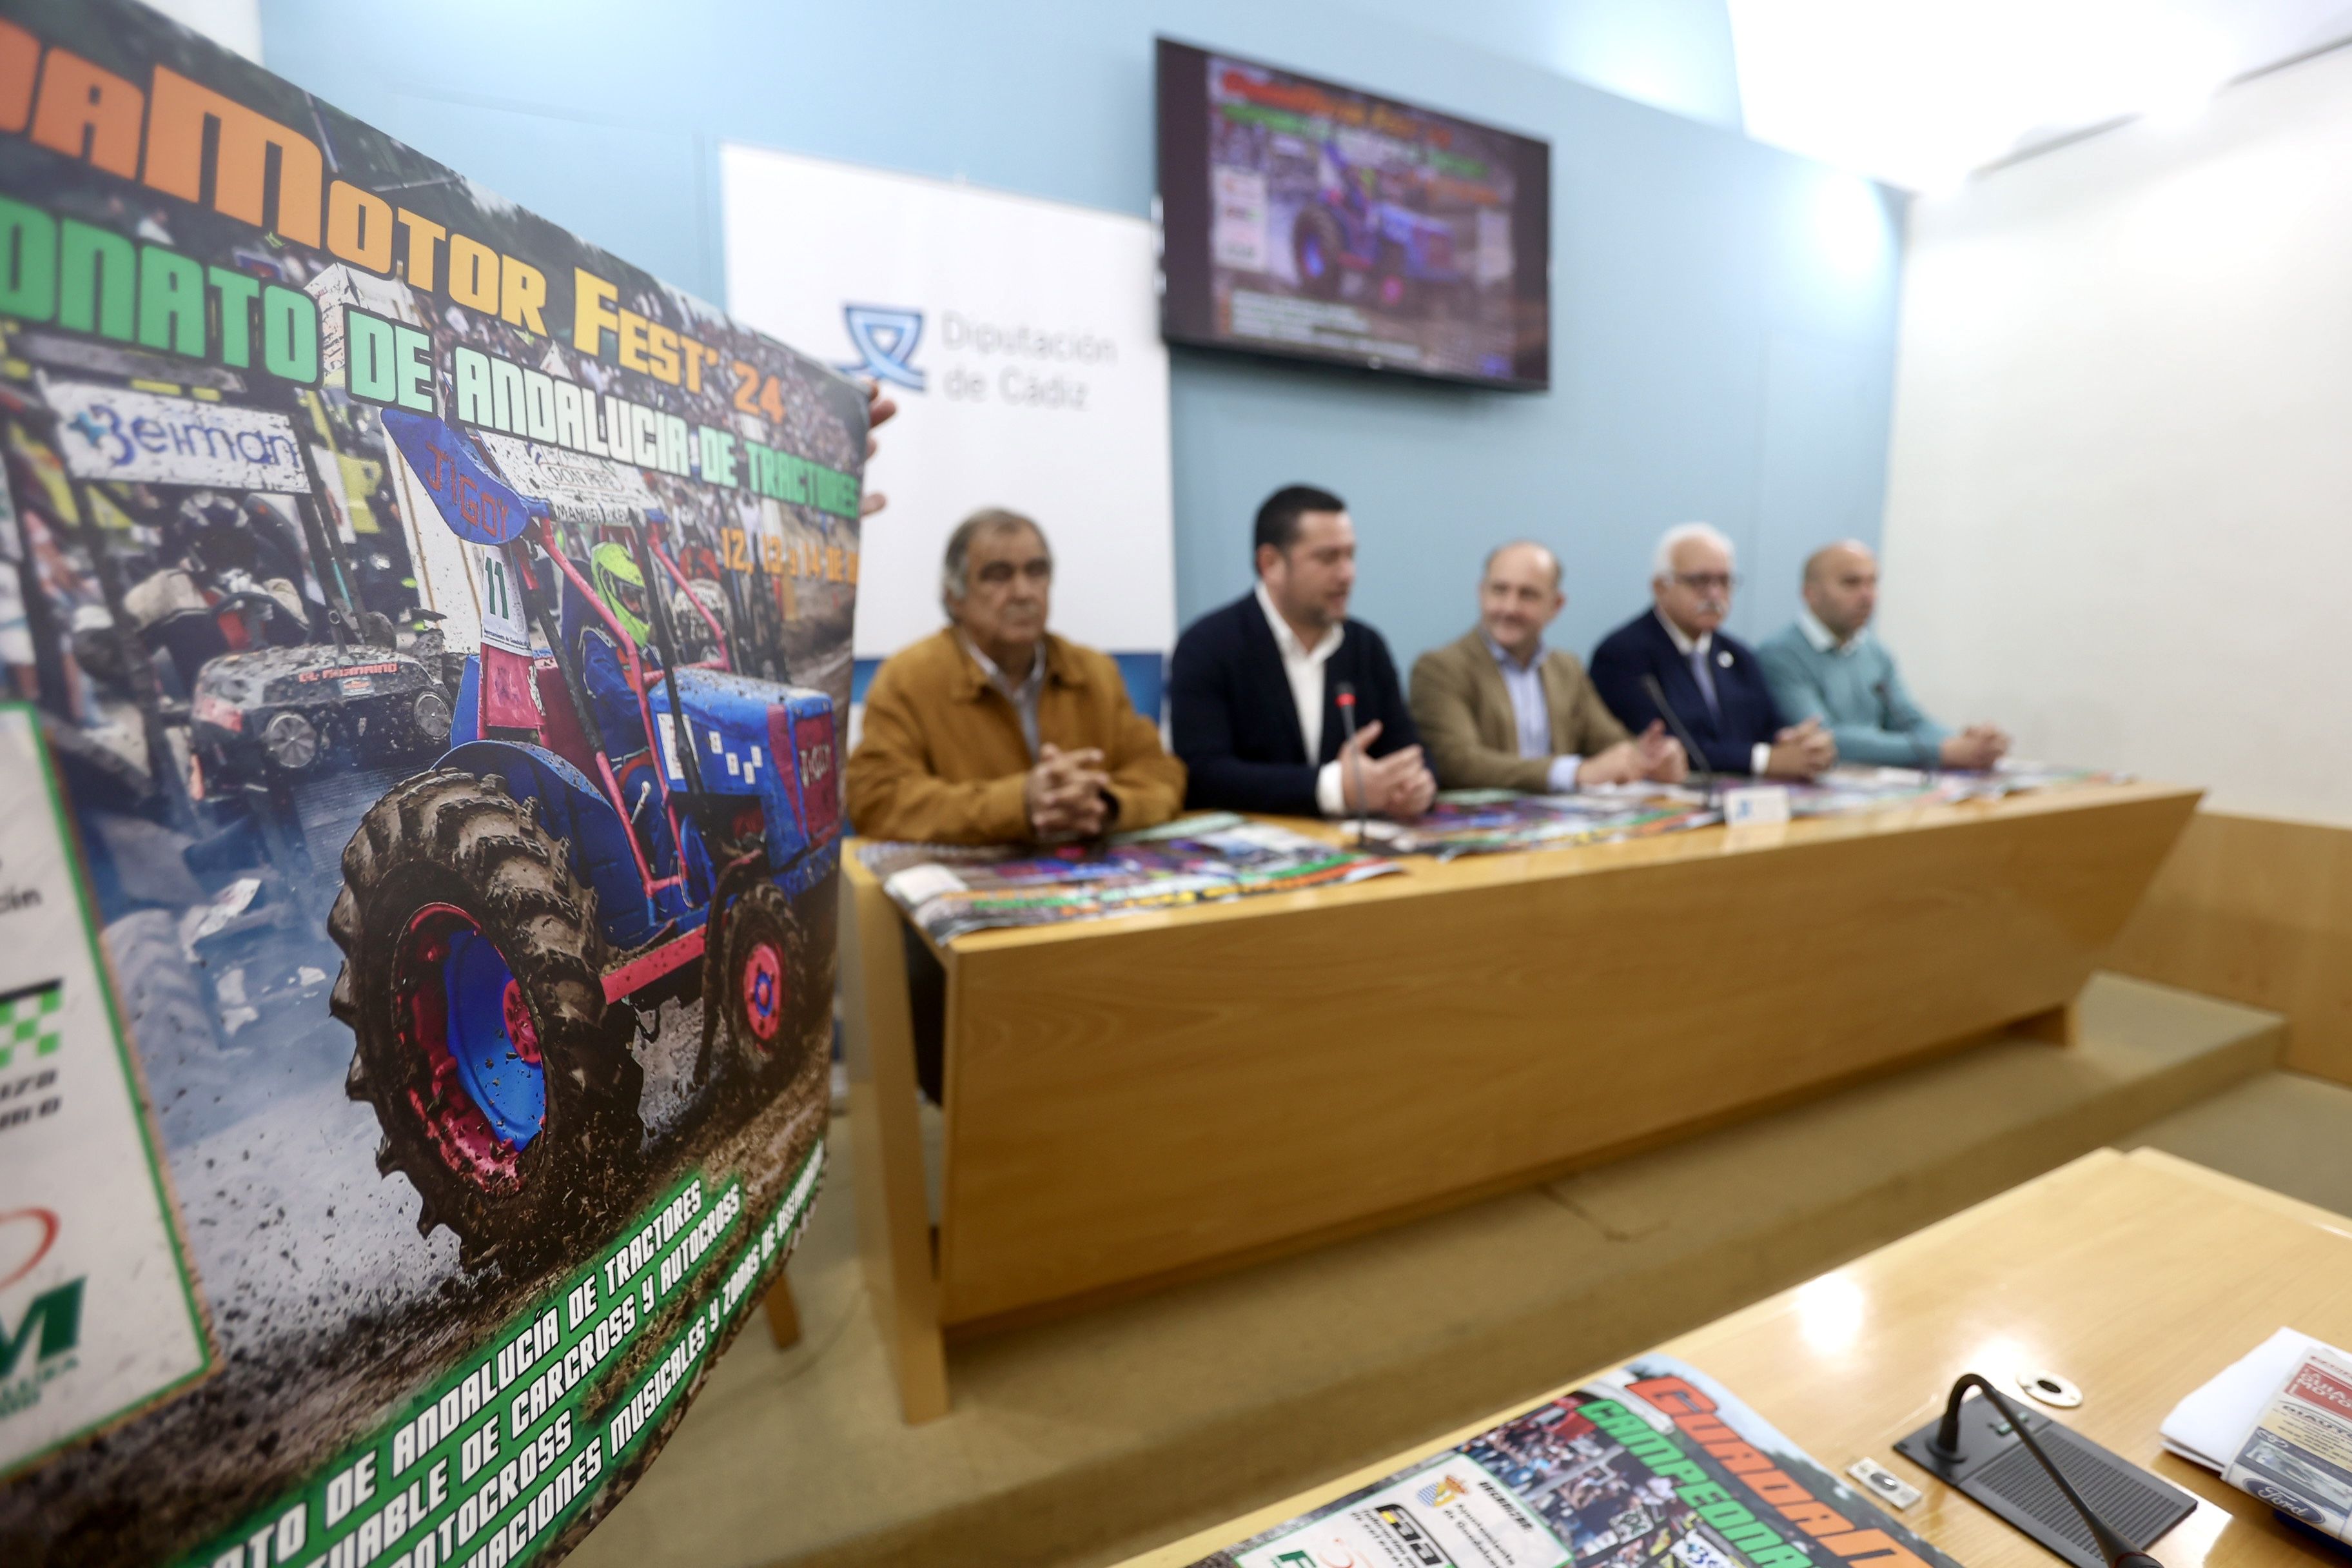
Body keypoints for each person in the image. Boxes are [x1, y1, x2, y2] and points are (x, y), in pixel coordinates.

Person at [846, 507, 1185, 843]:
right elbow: (877, 800)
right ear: (954, 597)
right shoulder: (909, 678)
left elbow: (1160, 774)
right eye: (999, 576)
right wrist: (1019, 804)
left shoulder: (1093, 671)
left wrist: (1103, 805)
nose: (1023, 592)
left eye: (1036, 572)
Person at [1169, 484, 1435, 818]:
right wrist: (1333, 788)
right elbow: (1204, 774)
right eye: (1328, 558)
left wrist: (1417, 785)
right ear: (1271, 564)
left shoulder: (1366, 646)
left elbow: (1409, 750)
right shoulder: (1207, 645)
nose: (1347, 574)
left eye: (1350, 555)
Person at [1410, 541, 1687, 791]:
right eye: (1499, 590)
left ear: (1556, 605)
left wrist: (1650, 759)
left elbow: (1608, 742)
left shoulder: (1565, 668)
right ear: (1481, 593)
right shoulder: (1440, 669)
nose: (1509, 607)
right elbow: (1457, 762)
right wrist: (1574, 773)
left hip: (1562, 822)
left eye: (1527, 595)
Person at [1589, 523, 1835, 779]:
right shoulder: (1623, 655)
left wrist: (1795, 743)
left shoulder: (1738, 655)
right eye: (1699, 581)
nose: (1715, 594)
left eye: (1724, 581)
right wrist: (1764, 759)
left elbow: (1768, 728)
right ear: (1661, 587)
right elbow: (1665, 748)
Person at [1759, 540, 2009, 770]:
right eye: (1851, 583)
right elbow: (1825, 741)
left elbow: (1910, 722)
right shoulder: (1779, 655)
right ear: (1810, 593)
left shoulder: (1875, 652)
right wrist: (1943, 751)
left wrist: (1970, 743)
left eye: (1872, 582)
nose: (1867, 596)